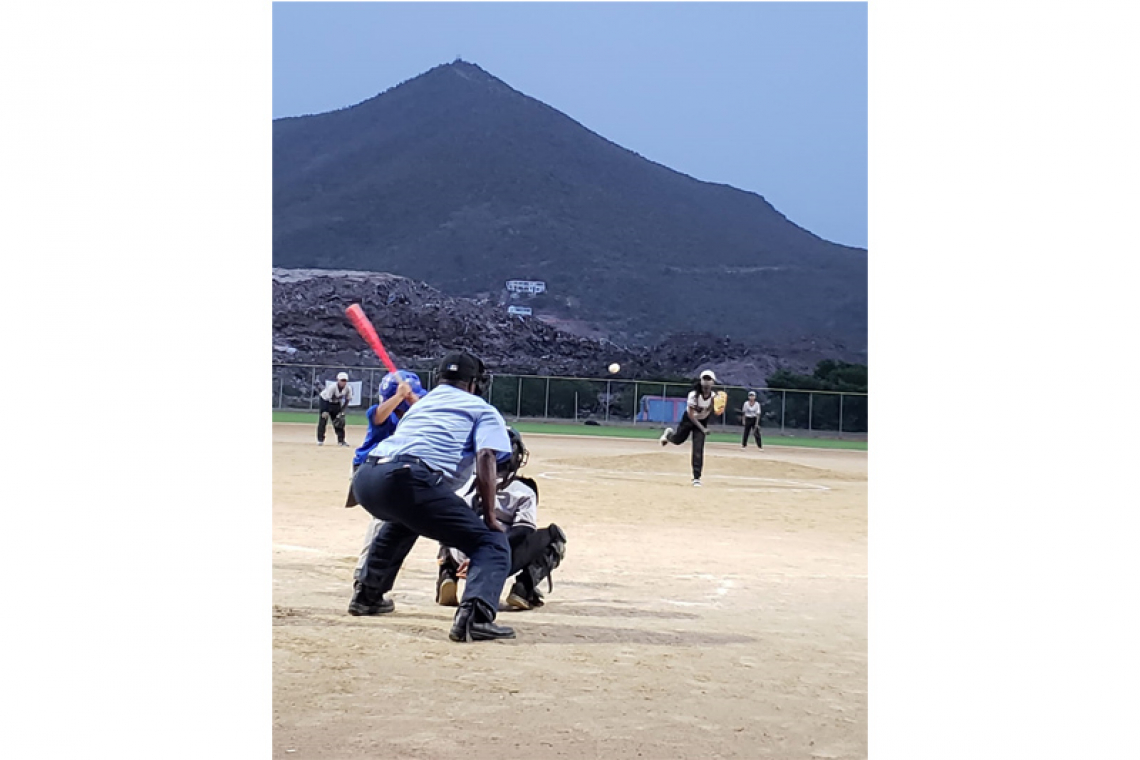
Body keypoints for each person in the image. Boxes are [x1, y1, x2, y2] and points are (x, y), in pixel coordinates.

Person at [350, 351, 517, 642]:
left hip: (366, 478)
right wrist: (490, 518)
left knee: (403, 522)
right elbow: (487, 456)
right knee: (490, 542)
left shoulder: (422, 405)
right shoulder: (481, 408)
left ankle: (367, 595)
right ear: (474, 383)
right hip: (407, 478)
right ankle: (475, 618)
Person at [436, 428, 567, 611]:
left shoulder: (461, 482)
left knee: (449, 521)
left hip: (459, 554)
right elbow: (523, 531)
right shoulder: (522, 490)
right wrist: (482, 555)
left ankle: (448, 574)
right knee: (554, 536)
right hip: (495, 558)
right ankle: (523, 589)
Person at [344, 370, 424, 508]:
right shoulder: (380, 414)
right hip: (368, 467)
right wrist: (399, 396)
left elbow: (428, 414)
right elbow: (378, 417)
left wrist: (412, 399)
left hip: (393, 467)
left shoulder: (417, 415)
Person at [659, 369, 718, 487]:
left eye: (709, 379)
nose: (706, 382)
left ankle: (696, 477)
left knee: (698, 448)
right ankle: (669, 434)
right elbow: (691, 415)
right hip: (689, 420)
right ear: (701, 381)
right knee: (678, 440)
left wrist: (718, 409)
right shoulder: (693, 395)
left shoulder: (714, 397)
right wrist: (703, 428)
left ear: (713, 382)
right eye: (704, 379)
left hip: (702, 421)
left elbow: (714, 411)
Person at [317, 371, 353, 447]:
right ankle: (320, 440)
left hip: (336, 403)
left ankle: (341, 441)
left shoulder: (348, 388)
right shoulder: (332, 387)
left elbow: (347, 400)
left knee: (339, 422)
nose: (343, 382)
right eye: (342, 380)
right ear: (338, 380)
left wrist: (342, 411)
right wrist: (325, 411)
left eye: (345, 380)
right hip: (325, 401)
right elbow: (327, 399)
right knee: (323, 420)